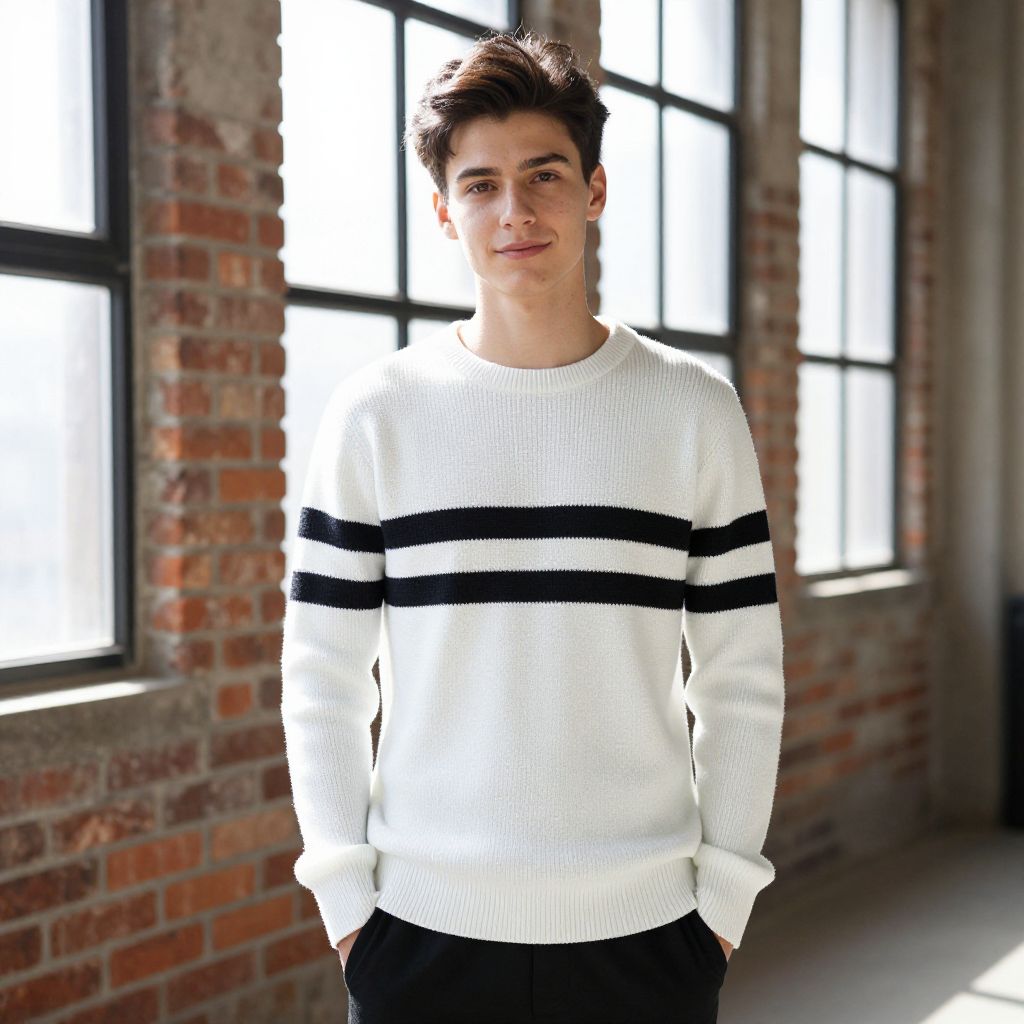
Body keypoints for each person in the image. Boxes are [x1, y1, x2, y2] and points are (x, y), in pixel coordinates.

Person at [280, 27, 786, 1024]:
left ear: (594, 189)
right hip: (416, 938)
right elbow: (322, 680)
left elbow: (741, 677)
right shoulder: (374, 415)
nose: (514, 210)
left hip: (649, 937)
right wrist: (348, 908)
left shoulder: (692, 409)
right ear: (443, 209)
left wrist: (721, 899)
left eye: (544, 175)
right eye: (479, 185)